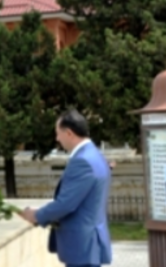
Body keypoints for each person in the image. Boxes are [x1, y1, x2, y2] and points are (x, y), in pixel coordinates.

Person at [18, 109, 113, 267]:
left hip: (81, 247)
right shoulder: (95, 155)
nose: (57, 138)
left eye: (58, 133)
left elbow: (66, 204)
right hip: (89, 245)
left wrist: (37, 215)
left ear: (69, 133)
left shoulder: (82, 161)